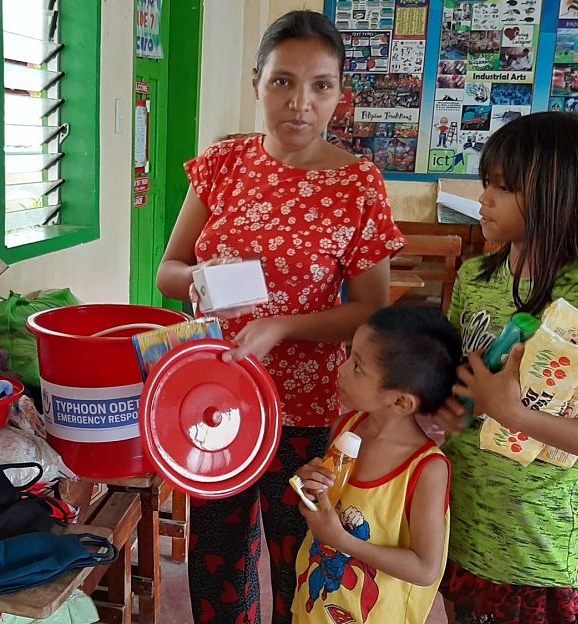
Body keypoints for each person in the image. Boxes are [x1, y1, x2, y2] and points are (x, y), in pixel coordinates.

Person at [156, 10, 405, 623]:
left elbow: (369, 309)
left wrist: (284, 326)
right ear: (256, 83)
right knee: (217, 558)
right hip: (217, 400)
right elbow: (168, 270)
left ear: (340, 94)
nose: (300, 102)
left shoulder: (358, 186)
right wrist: (203, 282)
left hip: (310, 408)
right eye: (283, 81)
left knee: (299, 560)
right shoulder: (222, 164)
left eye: (321, 85)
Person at [432, 112, 578, 624]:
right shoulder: (475, 277)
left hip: (530, 544)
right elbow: (459, 381)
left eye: (505, 187)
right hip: (458, 516)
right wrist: (449, 407)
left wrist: (516, 415)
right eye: (486, 183)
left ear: (562, 197)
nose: (484, 199)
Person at [291, 306, 458, 623]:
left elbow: (424, 568)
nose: (341, 368)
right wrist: (308, 486)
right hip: (316, 608)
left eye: (357, 367)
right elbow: (329, 499)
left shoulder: (427, 469)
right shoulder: (345, 427)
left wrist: (342, 540)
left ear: (400, 402)